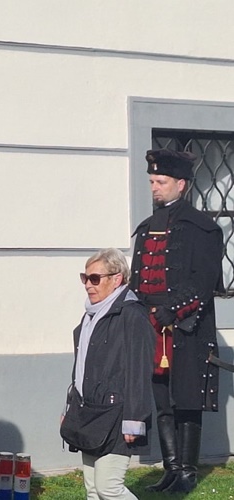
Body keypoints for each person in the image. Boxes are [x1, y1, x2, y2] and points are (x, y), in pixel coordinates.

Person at [129, 148, 224, 493]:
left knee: (186, 400)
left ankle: (187, 473)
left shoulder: (202, 228)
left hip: (186, 327)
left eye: (161, 181)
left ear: (181, 184)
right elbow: (138, 281)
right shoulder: (146, 227)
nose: (154, 187)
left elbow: (204, 281)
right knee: (162, 401)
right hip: (151, 327)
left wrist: (172, 309)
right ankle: (170, 469)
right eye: (152, 181)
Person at [64, 249, 155, 500]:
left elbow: (139, 371)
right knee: (93, 490)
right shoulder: (90, 316)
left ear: (117, 279)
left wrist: (135, 419)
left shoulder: (132, 315)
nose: (88, 285)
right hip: (89, 412)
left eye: (95, 278)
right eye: (85, 278)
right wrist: (70, 407)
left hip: (117, 415)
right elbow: (81, 369)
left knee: (109, 488)